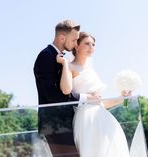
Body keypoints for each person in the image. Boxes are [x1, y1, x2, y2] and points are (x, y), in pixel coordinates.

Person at [57, 32, 131, 157]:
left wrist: (121, 97)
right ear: (76, 45)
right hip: (86, 118)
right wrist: (64, 64)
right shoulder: (70, 66)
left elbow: (100, 102)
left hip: (102, 116)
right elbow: (65, 90)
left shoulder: (91, 70)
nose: (91, 47)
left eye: (93, 44)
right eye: (87, 44)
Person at [33, 20, 100, 157]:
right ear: (62, 37)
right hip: (54, 125)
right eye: (74, 40)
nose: (76, 44)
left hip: (65, 123)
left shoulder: (61, 58)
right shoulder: (46, 56)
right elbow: (52, 94)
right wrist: (85, 97)